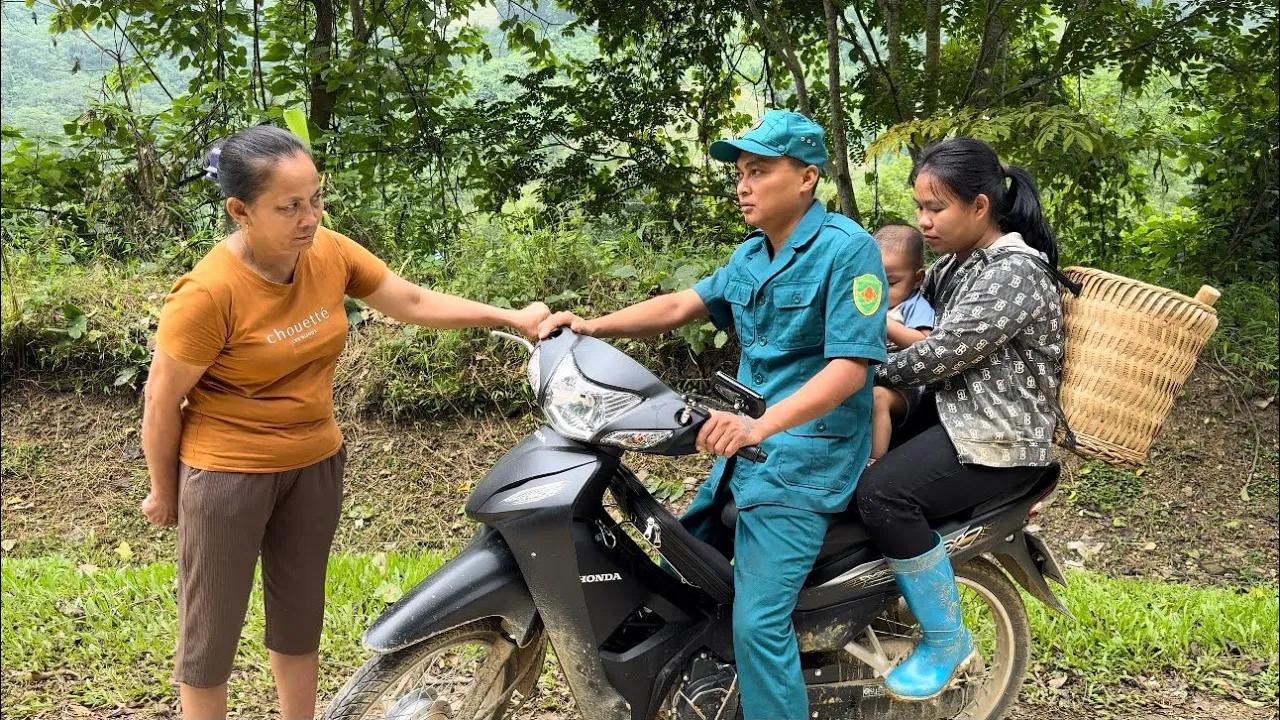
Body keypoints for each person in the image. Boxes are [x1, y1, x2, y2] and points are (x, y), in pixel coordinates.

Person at [141, 125, 550, 720]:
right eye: (289, 207)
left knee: (299, 617)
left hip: (314, 465)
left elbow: (410, 301)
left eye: (315, 199)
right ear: (240, 211)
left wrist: (510, 317)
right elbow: (161, 400)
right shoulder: (208, 293)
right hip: (228, 474)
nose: (309, 217)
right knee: (210, 633)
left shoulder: (328, 253)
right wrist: (162, 489)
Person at [538, 109, 887, 719]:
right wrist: (591, 326)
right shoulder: (751, 256)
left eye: (759, 172)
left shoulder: (847, 250)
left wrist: (760, 425)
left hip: (806, 457)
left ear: (807, 177)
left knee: (759, 621)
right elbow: (681, 304)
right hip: (743, 452)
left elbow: (849, 370)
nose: (743, 186)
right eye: (740, 174)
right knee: (678, 571)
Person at [854, 136, 1066, 702]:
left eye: (936, 208)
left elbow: (941, 353)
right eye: (919, 207)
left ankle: (946, 639)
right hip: (955, 416)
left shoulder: (1014, 273)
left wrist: (855, 372)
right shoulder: (956, 264)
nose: (923, 220)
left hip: (997, 436)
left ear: (980, 206)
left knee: (882, 494)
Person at [869, 224, 935, 462]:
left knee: (878, 398)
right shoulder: (868, 303)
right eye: (875, 282)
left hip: (904, 388)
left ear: (917, 279)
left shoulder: (914, 306)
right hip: (872, 374)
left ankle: (875, 460)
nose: (881, 291)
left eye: (891, 282)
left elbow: (925, 343)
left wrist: (885, 323)